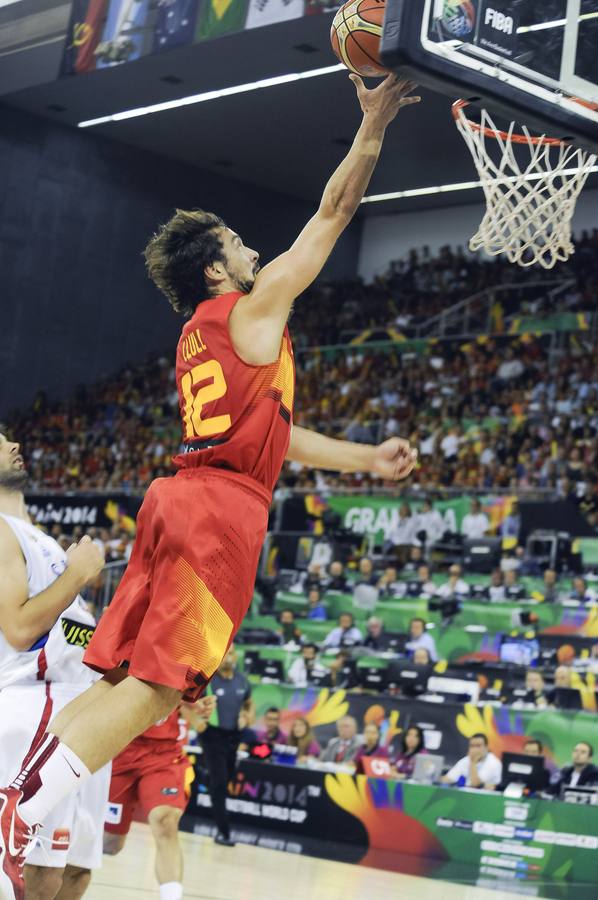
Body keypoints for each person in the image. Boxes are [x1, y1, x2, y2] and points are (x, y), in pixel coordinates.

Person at [0, 74, 421, 898]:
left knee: (121, 675)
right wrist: (370, 126)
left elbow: (277, 437)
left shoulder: (204, 337)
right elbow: (333, 214)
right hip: (220, 513)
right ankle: (27, 809)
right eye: (235, 239)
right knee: (162, 687)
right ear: (216, 266)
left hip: (180, 496)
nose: (251, 246)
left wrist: (365, 459)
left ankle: (22, 793)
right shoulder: (252, 310)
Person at [0, 428, 110, 900]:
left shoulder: (35, 536)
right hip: (36, 703)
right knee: (24, 873)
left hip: (77, 706)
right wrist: (78, 575)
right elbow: (21, 631)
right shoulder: (1, 531)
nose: (14, 446)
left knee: (68, 872)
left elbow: (70, 631)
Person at [103, 696, 215, 900]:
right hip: (121, 748)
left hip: (164, 754)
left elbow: (199, 722)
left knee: (166, 821)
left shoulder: (191, 664)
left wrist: (197, 707)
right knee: (110, 845)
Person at [199, 646, 254, 847]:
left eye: (231, 653)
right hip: (212, 735)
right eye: (224, 653)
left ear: (236, 656)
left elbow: (249, 703)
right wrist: (199, 722)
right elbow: (193, 702)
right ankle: (224, 832)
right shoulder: (209, 679)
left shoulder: (242, 680)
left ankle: (204, 775)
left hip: (233, 736)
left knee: (225, 777)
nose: (228, 657)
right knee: (220, 784)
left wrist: (247, 715)